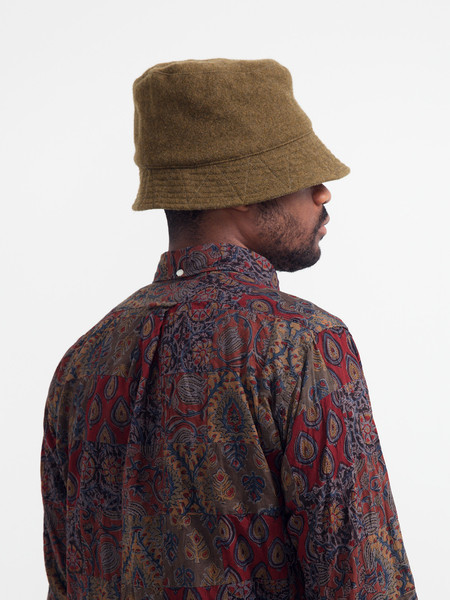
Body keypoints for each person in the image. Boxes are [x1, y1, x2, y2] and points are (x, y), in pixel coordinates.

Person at [41, 59, 417, 600]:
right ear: (241, 188)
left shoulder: (84, 360)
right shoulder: (301, 344)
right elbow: (360, 576)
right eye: (301, 175)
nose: (323, 193)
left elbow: (65, 580)